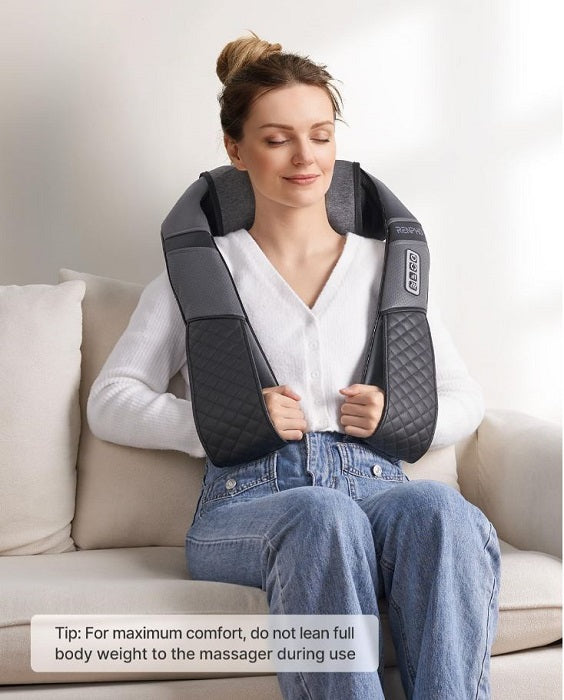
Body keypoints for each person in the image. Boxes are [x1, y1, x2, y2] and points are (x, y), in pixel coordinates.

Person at [87, 31, 501, 700]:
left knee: (440, 509)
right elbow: (111, 399)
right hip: (251, 502)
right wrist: (219, 421)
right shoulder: (201, 274)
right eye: (278, 139)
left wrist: (397, 414)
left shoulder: (386, 269)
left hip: (377, 487)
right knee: (321, 514)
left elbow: (463, 396)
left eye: (320, 135)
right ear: (236, 150)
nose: (305, 157)